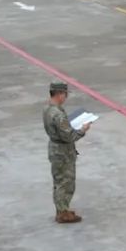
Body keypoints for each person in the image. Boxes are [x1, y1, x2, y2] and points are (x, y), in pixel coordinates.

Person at [43, 81, 92, 224]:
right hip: (63, 151)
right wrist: (83, 130)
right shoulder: (58, 114)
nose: (66, 97)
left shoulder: (47, 108)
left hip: (54, 147)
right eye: (65, 94)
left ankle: (62, 209)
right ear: (59, 94)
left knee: (59, 180)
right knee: (66, 182)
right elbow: (69, 136)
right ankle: (63, 213)